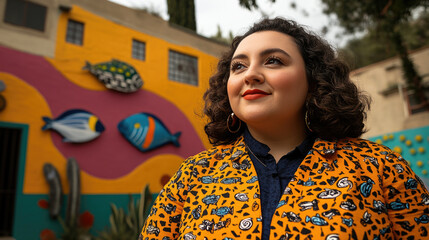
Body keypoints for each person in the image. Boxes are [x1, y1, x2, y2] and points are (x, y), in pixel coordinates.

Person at [139, 18, 429, 240]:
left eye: (273, 61)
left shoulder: (380, 167)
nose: (250, 74)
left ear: (314, 81)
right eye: (238, 67)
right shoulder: (192, 175)